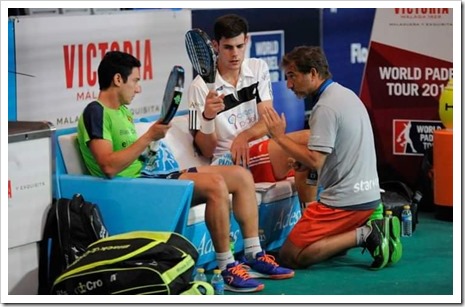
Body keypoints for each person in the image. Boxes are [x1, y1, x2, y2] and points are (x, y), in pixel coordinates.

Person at [76, 51, 295, 293]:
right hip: (135, 188)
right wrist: (148, 136)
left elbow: (135, 158)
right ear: (118, 79)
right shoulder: (95, 112)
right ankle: (226, 267)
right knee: (215, 185)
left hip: (151, 177)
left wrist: (152, 146)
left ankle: (253, 254)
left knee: (241, 176)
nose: (137, 89)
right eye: (135, 81)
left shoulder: (124, 112)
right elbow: (108, 166)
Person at [261, 46, 401, 270]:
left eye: (292, 76)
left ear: (313, 73)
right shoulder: (344, 94)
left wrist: (279, 137)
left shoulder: (325, 107)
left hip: (346, 203)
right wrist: (303, 159)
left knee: (289, 256)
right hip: (369, 196)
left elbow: (315, 161)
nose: (288, 84)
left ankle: (367, 233)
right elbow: (332, 154)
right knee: (325, 246)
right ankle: (363, 228)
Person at [187, 14, 316, 204]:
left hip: (261, 149)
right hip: (231, 160)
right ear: (215, 46)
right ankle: (313, 218)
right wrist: (207, 117)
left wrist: (244, 136)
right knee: (307, 139)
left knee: (315, 142)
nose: (235, 54)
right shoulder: (198, 88)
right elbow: (207, 151)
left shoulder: (258, 68)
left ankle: (311, 216)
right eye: (228, 47)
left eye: (240, 46)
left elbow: (267, 122)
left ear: (246, 40)